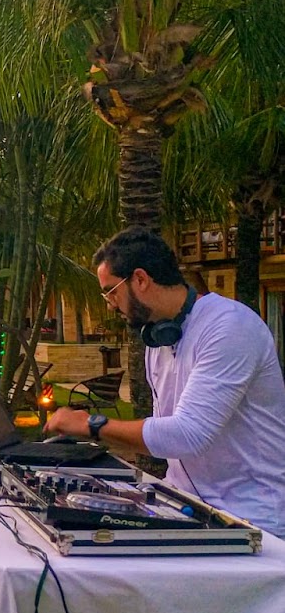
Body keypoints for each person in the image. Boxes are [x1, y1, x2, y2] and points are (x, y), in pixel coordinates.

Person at [44, 226, 285, 539]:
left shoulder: (230, 327)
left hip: (252, 521)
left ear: (140, 280)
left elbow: (187, 434)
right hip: (188, 506)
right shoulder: (158, 339)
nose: (110, 304)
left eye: (111, 291)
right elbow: (165, 436)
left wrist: (91, 425)